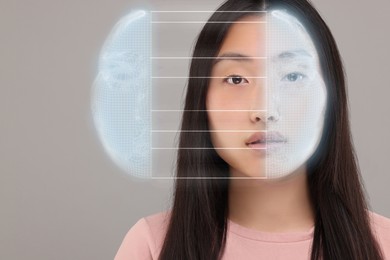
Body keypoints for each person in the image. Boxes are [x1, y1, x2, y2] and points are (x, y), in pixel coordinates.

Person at [114, 0, 390, 259]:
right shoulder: (151, 245)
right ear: (202, 101)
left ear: (330, 97)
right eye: (236, 79)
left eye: (293, 76)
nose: (264, 110)